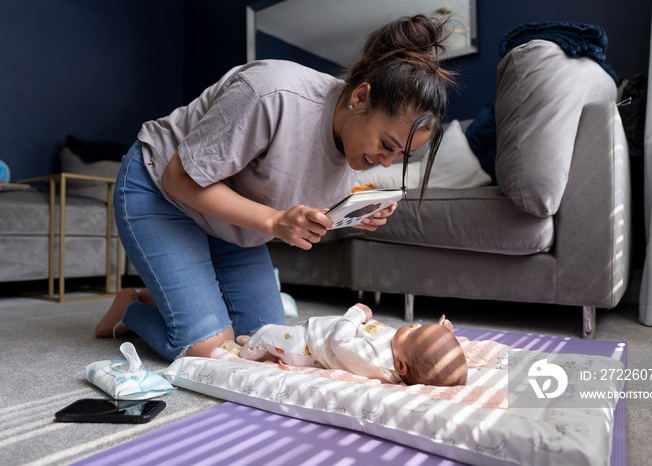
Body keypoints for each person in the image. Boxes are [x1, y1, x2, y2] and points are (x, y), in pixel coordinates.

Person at [95, 14, 456, 362]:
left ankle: (164, 296)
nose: (387, 161)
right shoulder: (273, 93)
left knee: (265, 343)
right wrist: (273, 221)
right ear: (360, 97)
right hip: (163, 191)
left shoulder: (354, 149)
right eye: (388, 145)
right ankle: (131, 308)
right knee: (212, 350)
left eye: (402, 155)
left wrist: (354, 214)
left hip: (232, 224)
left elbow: (297, 192)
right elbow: (180, 178)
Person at [227, 303, 467, 387]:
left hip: (306, 345)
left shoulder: (376, 359)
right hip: (316, 328)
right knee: (280, 332)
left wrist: (356, 313)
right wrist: (442, 333)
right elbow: (430, 355)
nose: (415, 325)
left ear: (401, 367)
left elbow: (340, 342)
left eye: (415, 333)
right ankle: (256, 342)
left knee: (270, 333)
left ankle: (243, 353)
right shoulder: (403, 353)